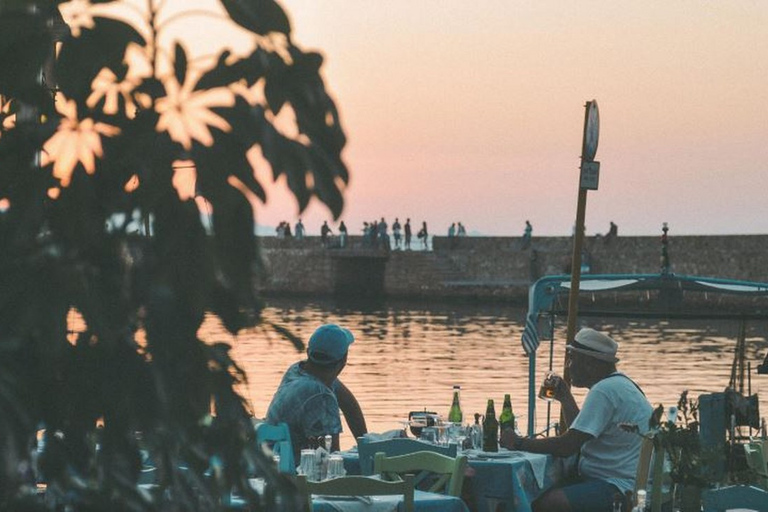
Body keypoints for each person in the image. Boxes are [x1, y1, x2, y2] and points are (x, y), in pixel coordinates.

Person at [500, 328, 653, 512]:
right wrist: (565, 398)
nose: (567, 366)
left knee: (544, 503)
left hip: (619, 487)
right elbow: (581, 435)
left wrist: (519, 442)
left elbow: (568, 446)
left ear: (589, 363)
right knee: (539, 491)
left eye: (572, 359)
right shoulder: (620, 385)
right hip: (628, 482)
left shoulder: (604, 391)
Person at [266, 324, 368, 460]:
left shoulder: (298, 370)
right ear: (344, 360)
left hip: (272, 458)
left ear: (309, 353)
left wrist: (365, 446)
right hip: (296, 470)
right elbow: (330, 458)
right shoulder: (321, 395)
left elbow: (348, 403)